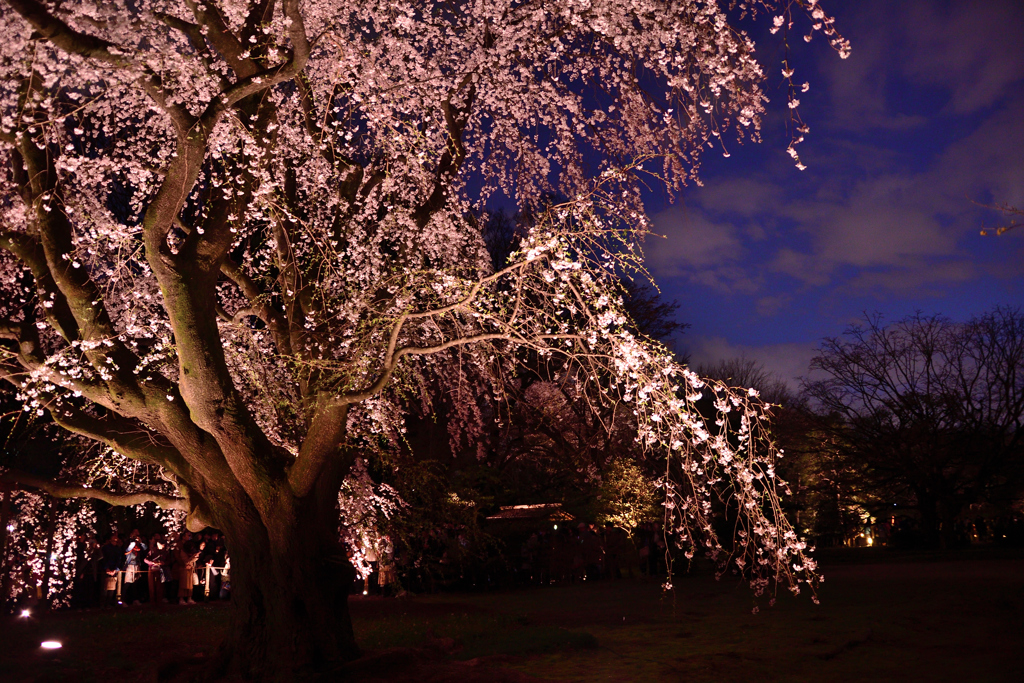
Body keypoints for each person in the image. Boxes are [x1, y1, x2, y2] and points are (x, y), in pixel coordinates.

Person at [145, 534, 170, 604]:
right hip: (152, 570)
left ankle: (159, 600)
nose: (162, 547)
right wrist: (152, 562)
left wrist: (163, 563)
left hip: (161, 570)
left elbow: (168, 561)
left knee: (160, 586)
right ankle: (152, 601)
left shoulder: (165, 552)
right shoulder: (153, 551)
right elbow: (146, 559)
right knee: (151, 586)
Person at [176, 540, 201, 605]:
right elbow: (186, 562)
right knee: (183, 584)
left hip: (190, 569)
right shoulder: (183, 552)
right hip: (184, 569)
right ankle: (181, 598)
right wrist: (194, 558)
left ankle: (189, 598)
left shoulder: (190, 552)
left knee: (190, 584)